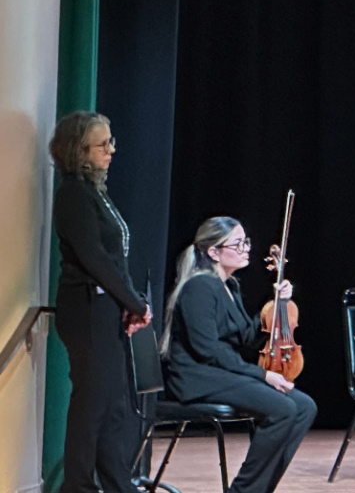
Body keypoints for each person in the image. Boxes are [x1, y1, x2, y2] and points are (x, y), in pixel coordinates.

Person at [160, 217, 318, 493]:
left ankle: (260, 488)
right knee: (282, 409)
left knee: (304, 407)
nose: (246, 248)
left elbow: (246, 336)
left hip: (221, 373)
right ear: (214, 252)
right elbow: (207, 349)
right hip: (196, 378)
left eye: (245, 241)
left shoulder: (229, 286)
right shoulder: (199, 287)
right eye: (238, 243)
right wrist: (263, 374)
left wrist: (275, 307)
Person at [50, 112, 151, 493]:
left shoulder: (94, 192)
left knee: (112, 409)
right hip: (86, 311)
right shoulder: (73, 194)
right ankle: (76, 488)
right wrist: (135, 304)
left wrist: (131, 302)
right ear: (79, 151)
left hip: (106, 309)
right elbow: (93, 257)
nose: (112, 150)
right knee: (92, 409)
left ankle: (117, 485)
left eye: (111, 141)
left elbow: (116, 259)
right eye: (103, 144)